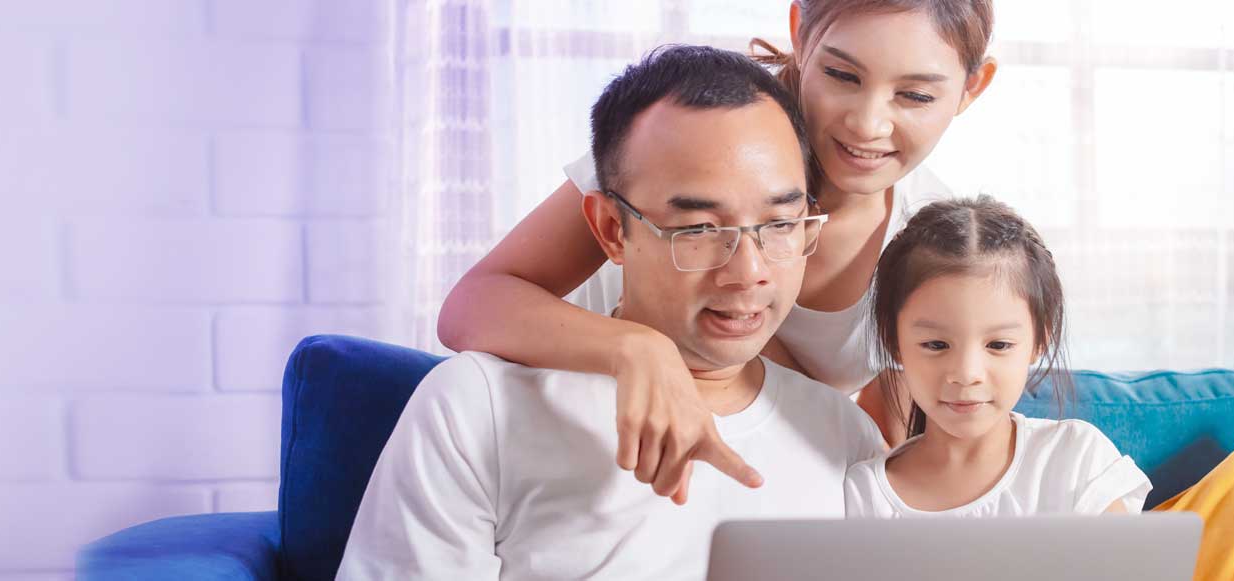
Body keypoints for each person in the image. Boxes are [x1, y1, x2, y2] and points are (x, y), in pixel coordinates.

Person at [336, 45, 884, 580]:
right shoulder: (476, 406)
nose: (749, 272)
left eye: (781, 224)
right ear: (610, 230)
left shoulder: (843, 438)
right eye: (697, 229)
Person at [436, 0, 1000, 503]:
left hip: (736, 481)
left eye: (916, 95)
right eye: (841, 74)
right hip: (577, 438)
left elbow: (877, 458)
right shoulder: (693, 133)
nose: (867, 123)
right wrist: (637, 350)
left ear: (971, 89)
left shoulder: (929, 248)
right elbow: (471, 305)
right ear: (799, 33)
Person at [843, 196, 1152, 517]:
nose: (966, 373)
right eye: (936, 345)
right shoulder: (864, 494)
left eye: (998, 345)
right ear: (893, 340)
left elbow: (1125, 568)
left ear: (1039, 340)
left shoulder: (1075, 460)